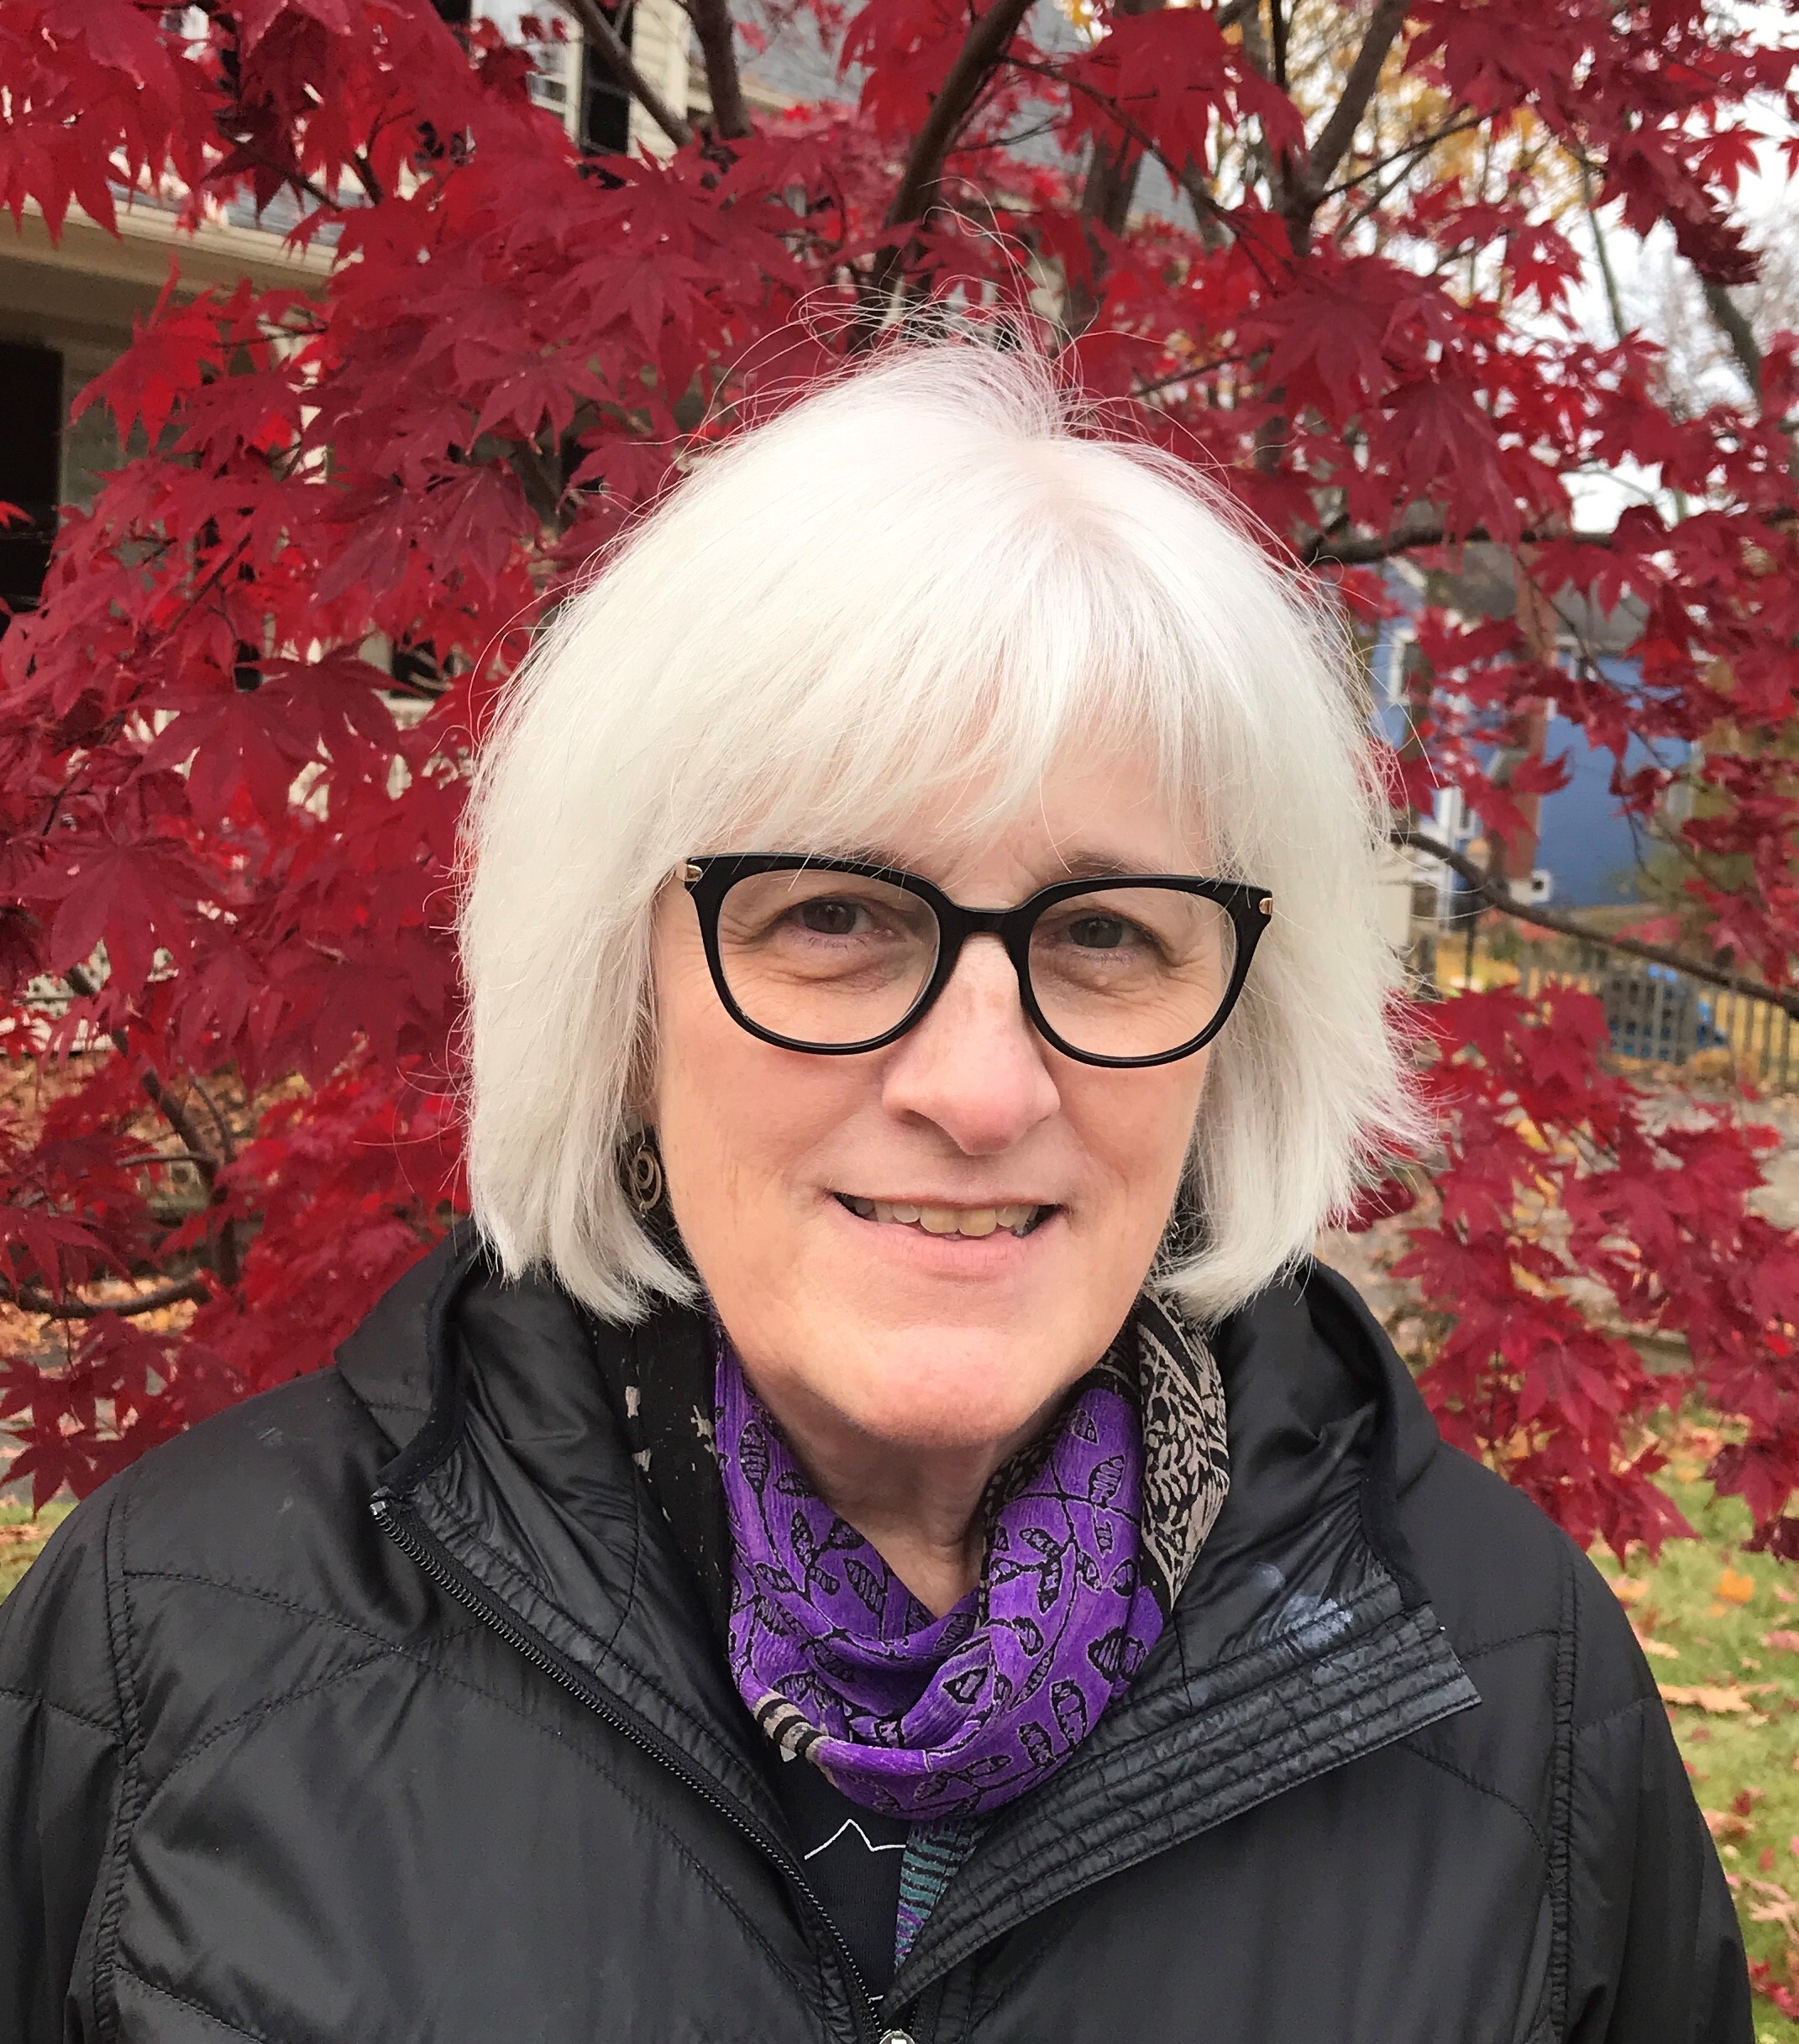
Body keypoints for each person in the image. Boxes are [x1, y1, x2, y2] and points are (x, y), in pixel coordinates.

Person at [0, 343, 1747, 2044]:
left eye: (1106, 933)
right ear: (625, 998)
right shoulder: (168, 1646)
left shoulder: (1522, 1693)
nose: (981, 1087)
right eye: (832, 914)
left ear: (1235, 1032)